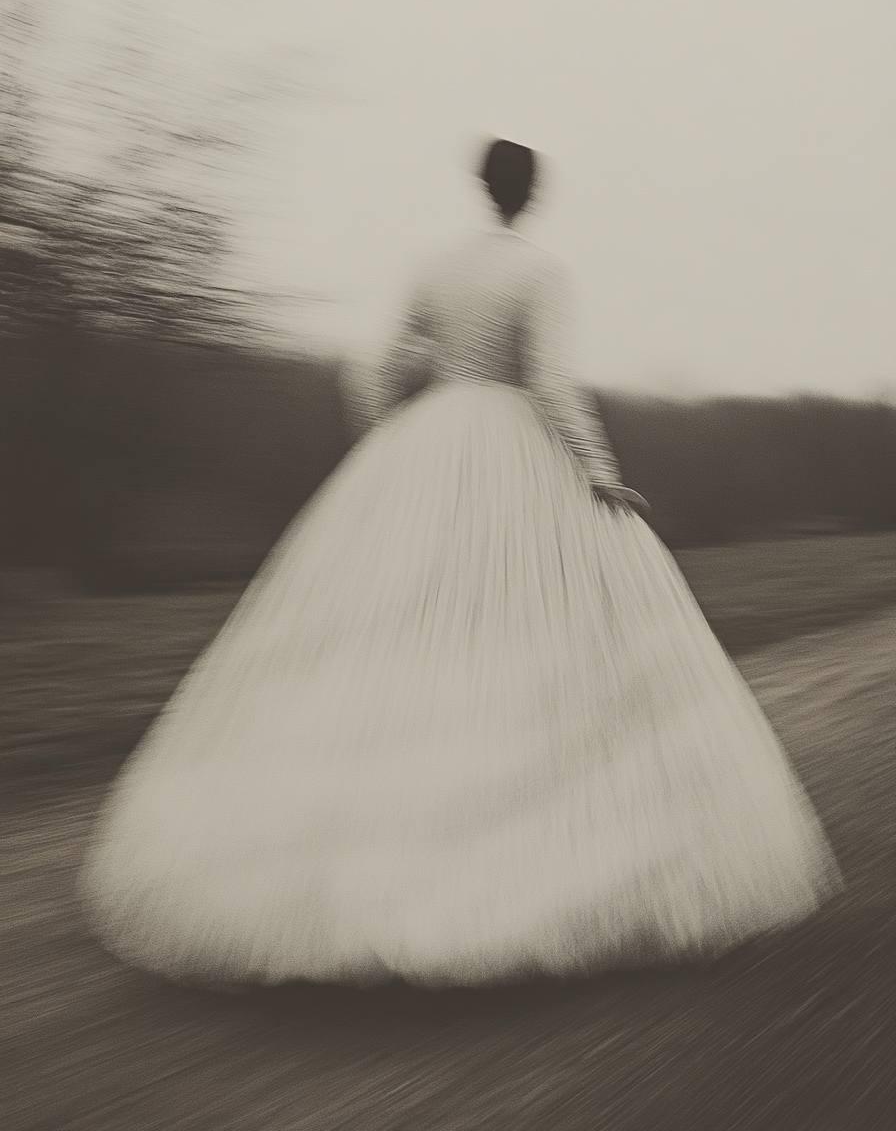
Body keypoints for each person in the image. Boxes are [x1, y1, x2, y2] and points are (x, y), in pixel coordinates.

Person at [80, 138, 840, 989]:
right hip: (513, 446)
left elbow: (370, 370)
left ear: (483, 188)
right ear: (533, 196)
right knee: (529, 620)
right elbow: (550, 381)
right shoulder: (541, 273)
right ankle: (522, 830)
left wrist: (389, 444)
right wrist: (598, 471)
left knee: (396, 628)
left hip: (429, 440)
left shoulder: (434, 267)